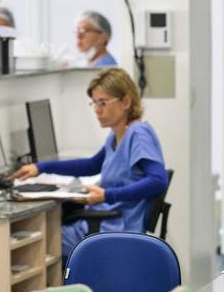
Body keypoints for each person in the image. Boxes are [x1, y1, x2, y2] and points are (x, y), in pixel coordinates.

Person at [11, 67, 168, 257]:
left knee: (39, 242)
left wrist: (107, 195)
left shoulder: (138, 135)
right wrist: (41, 167)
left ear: (126, 102)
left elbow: (158, 180)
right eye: (94, 103)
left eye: (103, 103)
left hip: (114, 229)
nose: (97, 110)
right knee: (41, 237)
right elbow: (91, 165)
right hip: (105, 223)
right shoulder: (117, 135)